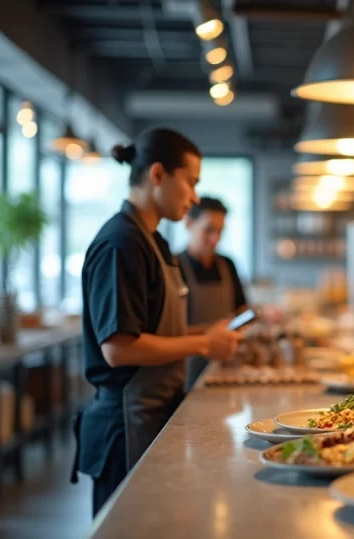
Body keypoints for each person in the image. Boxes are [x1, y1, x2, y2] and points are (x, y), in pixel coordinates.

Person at [70, 128, 244, 516]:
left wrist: (207, 332)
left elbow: (158, 331)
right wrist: (202, 345)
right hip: (125, 422)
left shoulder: (152, 240)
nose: (195, 197)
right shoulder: (121, 242)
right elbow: (119, 348)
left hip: (155, 410)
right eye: (191, 182)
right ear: (158, 175)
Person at [178, 196, 250, 390]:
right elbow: (169, 331)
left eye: (220, 231)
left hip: (226, 365)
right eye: (209, 230)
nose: (215, 239)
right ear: (189, 224)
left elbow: (241, 308)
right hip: (186, 369)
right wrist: (210, 331)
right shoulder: (174, 267)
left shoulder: (227, 264)